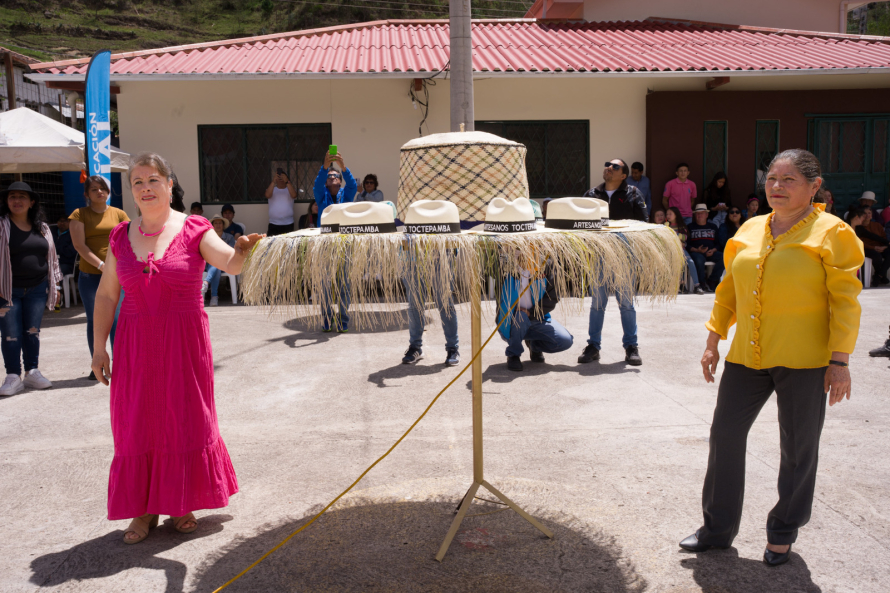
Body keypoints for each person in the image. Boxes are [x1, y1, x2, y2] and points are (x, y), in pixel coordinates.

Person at [680, 149, 863, 567]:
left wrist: (840, 362)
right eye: (772, 179)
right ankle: (717, 529)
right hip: (747, 356)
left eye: (789, 180)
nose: (777, 187)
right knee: (724, 436)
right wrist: (713, 339)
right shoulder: (749, 228)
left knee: (799, 449)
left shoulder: (832, 233)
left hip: (805, 360)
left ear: (814, 187)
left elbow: (846, 302)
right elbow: (728, 290)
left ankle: (782, 532)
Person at [91, 152, 263, 544]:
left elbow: (231, 264)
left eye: (153, 180)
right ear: (131, 191)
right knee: (136, 422)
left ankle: (181, 502)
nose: (146, 188)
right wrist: (100, 348)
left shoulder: (195, 228)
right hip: (134, 344)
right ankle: (143, 510)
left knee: (183, 419)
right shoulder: (120, 236)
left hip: (183, 344)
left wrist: (242, 250)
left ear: (170, 185)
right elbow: (105, 295)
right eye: (137, 182)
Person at [579, 159, 647, 366]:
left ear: (623, 175)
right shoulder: (591, 195)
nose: (609, 167)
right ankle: (593, 347)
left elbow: (641, 224)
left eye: (615, 166)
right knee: (597, 304)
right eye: (607, 164)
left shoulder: (633, 193)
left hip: (625, 256)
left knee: (626, 305)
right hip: (598, 256)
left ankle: (631, 347)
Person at [0, 182, 62, 396]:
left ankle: (32, 372)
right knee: (10, 334)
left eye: (22, 197)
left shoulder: (43, 228)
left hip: (37, 288)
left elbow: (52, 259)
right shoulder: (1, 225)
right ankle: (13, 376)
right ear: (7, 202)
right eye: (12, 197)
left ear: (32, 202)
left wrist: (56, 284)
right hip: (7, 290)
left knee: (32, 332)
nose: (17, 201)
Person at [69, 176, 130, 379]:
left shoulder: (119, 213)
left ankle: (120, 364)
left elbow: (130, 240)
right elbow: (80, 246)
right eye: (94, 189)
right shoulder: (79, 214)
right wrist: (102, 265)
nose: (99, 192)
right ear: (87, 194)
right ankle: (99, 364)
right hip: (91, 275)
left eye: (102, 188)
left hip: (117, 275)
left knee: (117, 319)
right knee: (95, 320)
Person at [496, 259, 573, 372]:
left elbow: (552, 298)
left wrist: (531, 313)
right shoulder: (506, 265)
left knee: (565, 340)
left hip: (537, 319)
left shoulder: (546, 265)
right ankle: (513, 354)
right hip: (511, 321)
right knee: (520, 317)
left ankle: (534, 345)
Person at [314, 152, 358, 332]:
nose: (332, 178)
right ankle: (326, 316)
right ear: (326, 181)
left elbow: (353, 186)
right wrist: (325, 167)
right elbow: (317, 184)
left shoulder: (345, 196)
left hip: (344, 242)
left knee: (343, 282)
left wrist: (343, 167)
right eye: (329, 176)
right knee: (324, 282)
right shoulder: (321, 194)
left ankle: (343, 318)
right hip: (324, 243)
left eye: (336, 176)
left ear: (340, 181)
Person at [401, 249, 460, 367]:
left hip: (441, 254)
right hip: (412, 256)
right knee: (415, 305)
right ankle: (415, 347)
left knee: (445, 305)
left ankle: (453, 348)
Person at [666, 207, 704, 295]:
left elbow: (684, 238)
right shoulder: (666, 226)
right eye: (667, 214)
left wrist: (672, 233)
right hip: (671, 250)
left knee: (690, 262)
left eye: (670, 214)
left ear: (676, 215)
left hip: (681, 249)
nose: (668, 216)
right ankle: (680, 285)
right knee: (677, 262)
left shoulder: (681, 226)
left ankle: (697, 285)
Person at [686, 203, 724, 291]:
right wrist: (696, 250)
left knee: (724, 257)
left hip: (711, 252)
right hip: (696, 252)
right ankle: (701, 283)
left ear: (707, 215)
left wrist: (713, 250)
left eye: (702, 213)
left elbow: (718, 243)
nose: (699, 215)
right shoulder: (690, 227)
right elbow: (687, 244)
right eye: (697, 213)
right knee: (699, 260)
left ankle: (712, 280)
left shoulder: (713, 227)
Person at [201, 215, 237, 306]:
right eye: (216, 223)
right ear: (212, 225)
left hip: (225, 263)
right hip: (210, 263)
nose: (218, 225)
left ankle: (206, 282)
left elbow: (231, 251)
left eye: (220, 223)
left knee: (216, 264)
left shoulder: (229, 237)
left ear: (223, 225)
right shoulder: (208, 237)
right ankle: (214, 297)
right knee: (216, 265)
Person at [849, 207, 890, 285]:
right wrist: (874, 247)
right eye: (864, 214)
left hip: (879, 247)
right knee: (876, 255)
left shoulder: (868, 226)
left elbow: (874, 236)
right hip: (861, 249)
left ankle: (879, 276)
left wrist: (887, 244)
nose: (866, 216)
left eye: (869, 213)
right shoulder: (851, 227)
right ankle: (880, 276)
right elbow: (860, 243)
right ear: (858, 217)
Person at [265, 170, 297, 236]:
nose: (281, 179)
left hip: (288, 223)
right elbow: (267, 195)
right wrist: (273, 181)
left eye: (283, 177)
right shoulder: (272, 189)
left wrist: (287, 181)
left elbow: (294, 195)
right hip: (273, 223)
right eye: (279, 177)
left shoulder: (290, 189)